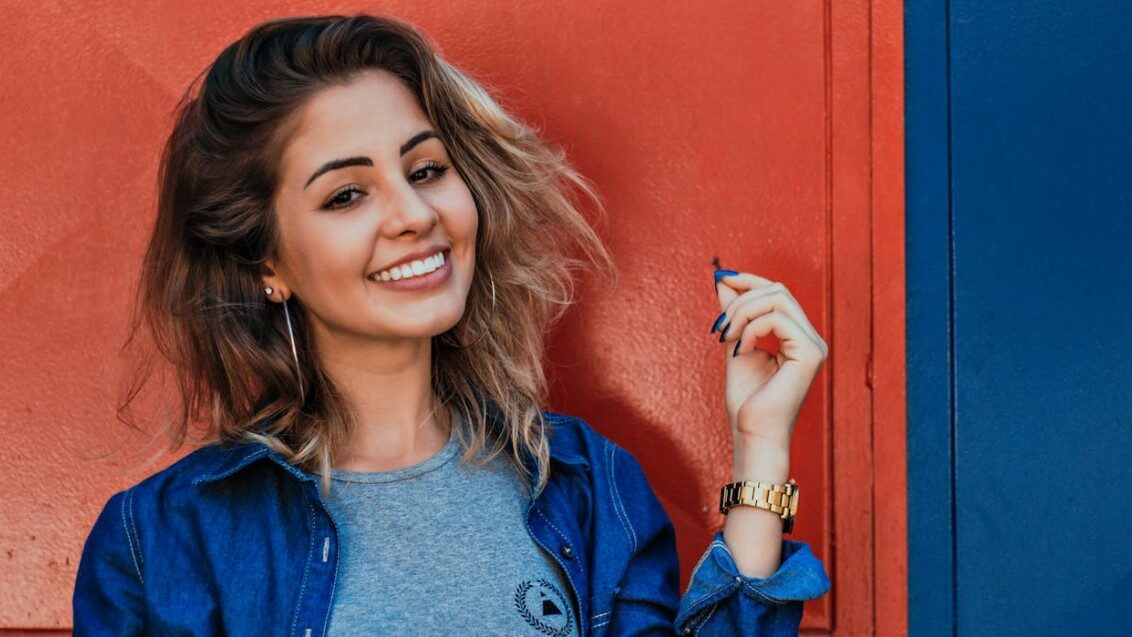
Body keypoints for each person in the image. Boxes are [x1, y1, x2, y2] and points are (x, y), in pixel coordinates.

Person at [72, 13, 831, 636]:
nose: (414, 214)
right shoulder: (163, 544)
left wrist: (760, 452)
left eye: (426, 169)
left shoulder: (589, 486)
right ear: (266, 262)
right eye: (346, 195)